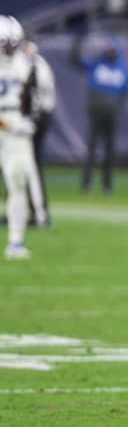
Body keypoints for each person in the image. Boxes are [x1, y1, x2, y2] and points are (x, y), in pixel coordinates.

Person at [1, 16, 46, 257]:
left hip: (16, 134)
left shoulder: (25, 64)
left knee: (17, 184)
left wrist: (29, 120)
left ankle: (15, 241)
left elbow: (33, 99)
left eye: (12, 44)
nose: (8, 50)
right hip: (6, 126)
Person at [71, 33, 128, 194]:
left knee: (109, 150)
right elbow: (76, 61)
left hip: (111, 114)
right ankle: (86, 184)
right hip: (96, 113)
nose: (109, 51)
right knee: (91, 148)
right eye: (108, 49)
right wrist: (77, 42)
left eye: (112, 49)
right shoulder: (97, 64)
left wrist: (116, 107)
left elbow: (125, 91)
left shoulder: (122, 69)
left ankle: (107, 185)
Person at [23, 36, 55, 223]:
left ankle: (39, 211)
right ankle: (18, 211)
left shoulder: (35, 66)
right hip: (25, 119)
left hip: (33, 120)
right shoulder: (34, 64)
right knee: (17, 168)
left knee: (31, 165)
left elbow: (40, 100)